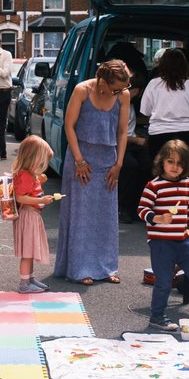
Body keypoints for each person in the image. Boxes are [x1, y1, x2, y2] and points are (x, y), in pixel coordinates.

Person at [53, 59, 130, 285]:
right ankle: (80, 268)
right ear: (103, 81)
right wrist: (79, 160)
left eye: (123, 88)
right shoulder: (82, 90)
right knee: (81, 215)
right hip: (82, 157)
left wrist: (119, 164)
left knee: (105, 215)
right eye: (116, 87)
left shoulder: (123, 96)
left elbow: (123, 131)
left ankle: (106, 267)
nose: (121, 92)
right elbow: (69, 126)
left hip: (108, 159)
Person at [138, 139, 189, 331]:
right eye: (171, 162)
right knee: (164, 282)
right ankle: (157, 316)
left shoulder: (188, 184)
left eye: (180, 163)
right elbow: (142, 209)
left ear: (186, 165)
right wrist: (158, 218)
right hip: (160, 243)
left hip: (183, 240)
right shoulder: (154, 186)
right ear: (162, 162)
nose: (175, 167)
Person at [141, 47, 189, 159]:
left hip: (158, 134)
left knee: (159, 168)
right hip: (186, 133)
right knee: (183, 167)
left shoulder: (153, 84)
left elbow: (145, 111)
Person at [11, 135, 56, 293]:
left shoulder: (29, 174)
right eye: (41, 163)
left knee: (30, 250)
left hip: (32, 216)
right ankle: (24, 284)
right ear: (31, 159)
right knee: (27, 252)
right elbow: (20, 196)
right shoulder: (24, 175)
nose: (43, 167)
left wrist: (39, 181)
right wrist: (41, 200)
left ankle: (29, 278)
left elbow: (29, 190)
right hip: (28, 216)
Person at [118, 72, 150, 223]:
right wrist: (137, 141)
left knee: (148, 165)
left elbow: (132, 123)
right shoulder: (118, 104)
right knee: (131, 166)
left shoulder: (130, 104)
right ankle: (122, 206)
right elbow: (118, 134)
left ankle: (138, 205)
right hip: (121, 144)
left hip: (131, 141)